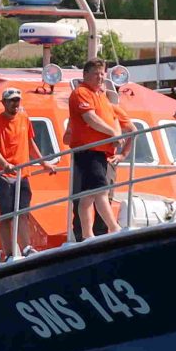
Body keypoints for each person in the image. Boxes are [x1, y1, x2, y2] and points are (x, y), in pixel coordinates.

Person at [65, 57, 127, 240]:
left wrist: (116, 136)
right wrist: (113, 134)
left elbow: (112, 119)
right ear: (85, 75)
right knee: (101, 189)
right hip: (88, 150)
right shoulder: (81, 93)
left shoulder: (102, 96)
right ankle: (115, 228)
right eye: (96, 74)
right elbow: (90, 118)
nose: (100, 77)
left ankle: (87, 234)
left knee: (88, 195)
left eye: (102, 73)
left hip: (101, 151)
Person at [0, 87, 52, 257]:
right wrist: (5, 164)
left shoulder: (24, 118)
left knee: (23, 212)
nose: (15, 103)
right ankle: (9, 253)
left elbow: (30, 143)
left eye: (17, 100)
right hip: (4, 176)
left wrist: (44, 163)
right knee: (7, 215)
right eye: (11, 100)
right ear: (4, 103)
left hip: (23, 174)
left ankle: (26, 247)